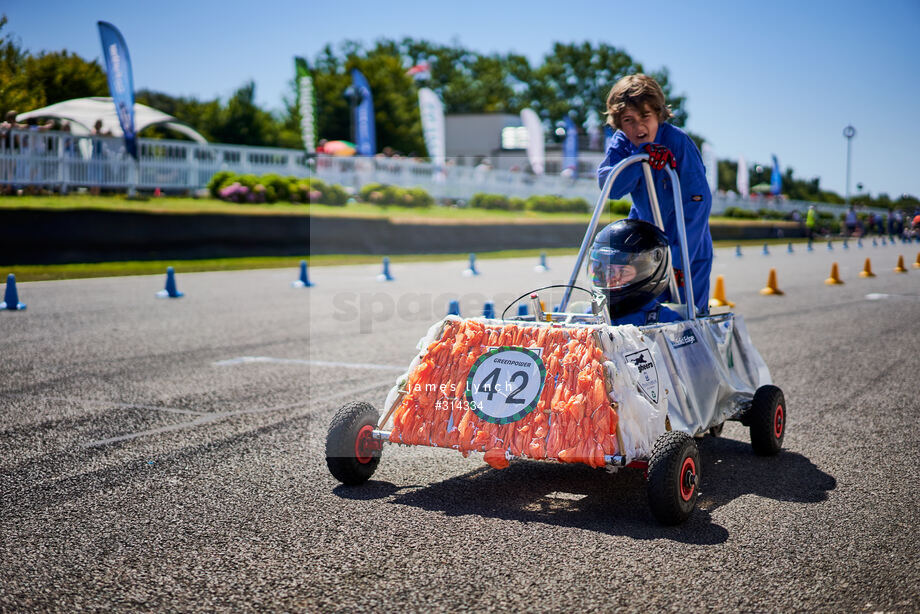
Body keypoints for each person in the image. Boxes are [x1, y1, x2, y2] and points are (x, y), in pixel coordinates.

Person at [597, 74, 712, 316]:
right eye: (628, 120)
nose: (638, 127)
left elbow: (698, 203)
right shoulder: (623, 142)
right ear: (618, 123)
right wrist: (641, 158)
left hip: (687, 247)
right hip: (645, 247)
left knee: (687, 316)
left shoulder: (677, 141)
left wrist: (678, 258)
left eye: (645, 117)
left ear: (658, 114)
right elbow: (610, 187)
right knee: (640, 313)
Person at [588, 218, 682, 326]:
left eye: (622, 272)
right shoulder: (591, 315)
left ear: (646, 273)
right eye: (604, 271)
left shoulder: (667, 320)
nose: (609, 280)